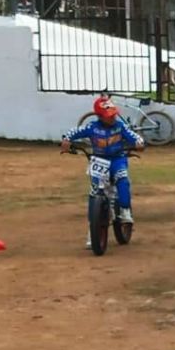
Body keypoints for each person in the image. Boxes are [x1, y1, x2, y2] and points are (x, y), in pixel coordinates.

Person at [59, 96, 145, 241]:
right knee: (94, 192)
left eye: (113, 114)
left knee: (123, 180)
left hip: (118, 159)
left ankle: (125, 212)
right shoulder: (92, 127)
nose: (112, 118)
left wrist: (139, 143)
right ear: (99, 116)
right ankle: (92, 229)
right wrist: (66, 140)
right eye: (108, 115)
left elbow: (135, 137)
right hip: (98, 161)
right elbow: (74, 132)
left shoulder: (120, 126)